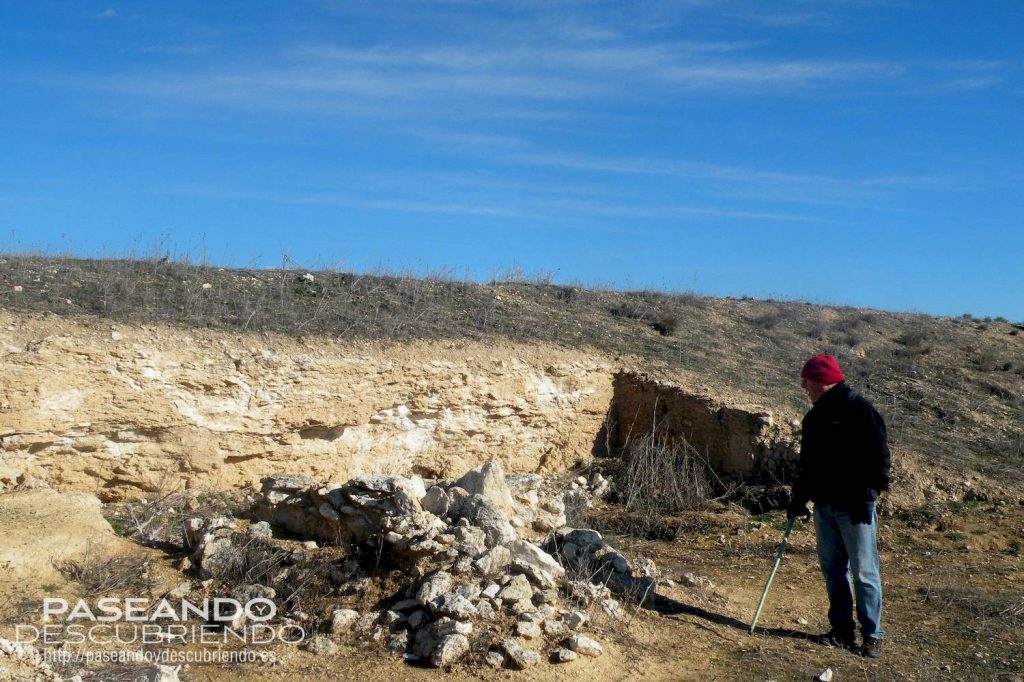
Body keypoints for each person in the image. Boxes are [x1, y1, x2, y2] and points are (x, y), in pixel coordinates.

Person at [787, 354, 891, 659]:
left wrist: (867, 496)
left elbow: (880, 459)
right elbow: (808, 466)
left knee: (864, 572)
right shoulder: (814, 417)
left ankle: (872, 634)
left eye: (806, 379)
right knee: (833, 570)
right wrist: (799, 498)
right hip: (825, 506)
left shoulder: (860, 410)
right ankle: (842, 630)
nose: (803, 385)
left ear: (821, 380)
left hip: (854, 506)